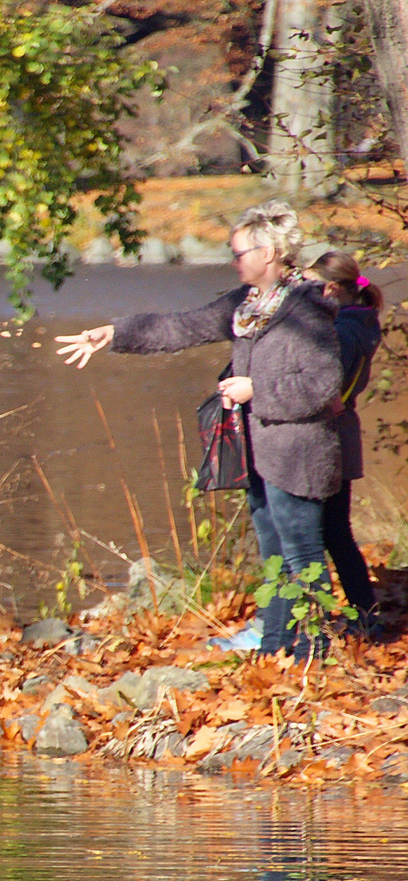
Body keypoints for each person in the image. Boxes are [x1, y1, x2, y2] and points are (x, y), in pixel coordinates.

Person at [55, 200, 343, 658]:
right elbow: (180, 326)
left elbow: (325, 384)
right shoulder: (245, 305)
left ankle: (314, 655)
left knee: (302, 558)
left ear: (268, 253)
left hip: (299, 454)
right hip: (259, 454)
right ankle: (275, 650)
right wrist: (112, 334)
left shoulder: (309, 312)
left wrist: (257, 389)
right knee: (274, 560)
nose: (233, 261)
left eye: (239, 252)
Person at [305, 250, 385, 632]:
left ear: (331, 288)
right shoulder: (363, 322)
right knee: (337, 533)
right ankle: (366, 616)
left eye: (308, 287)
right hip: (344, 437)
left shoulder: (340, 330)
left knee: (312, 534)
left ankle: (321, 623)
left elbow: (325, 389)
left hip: (327, 439)